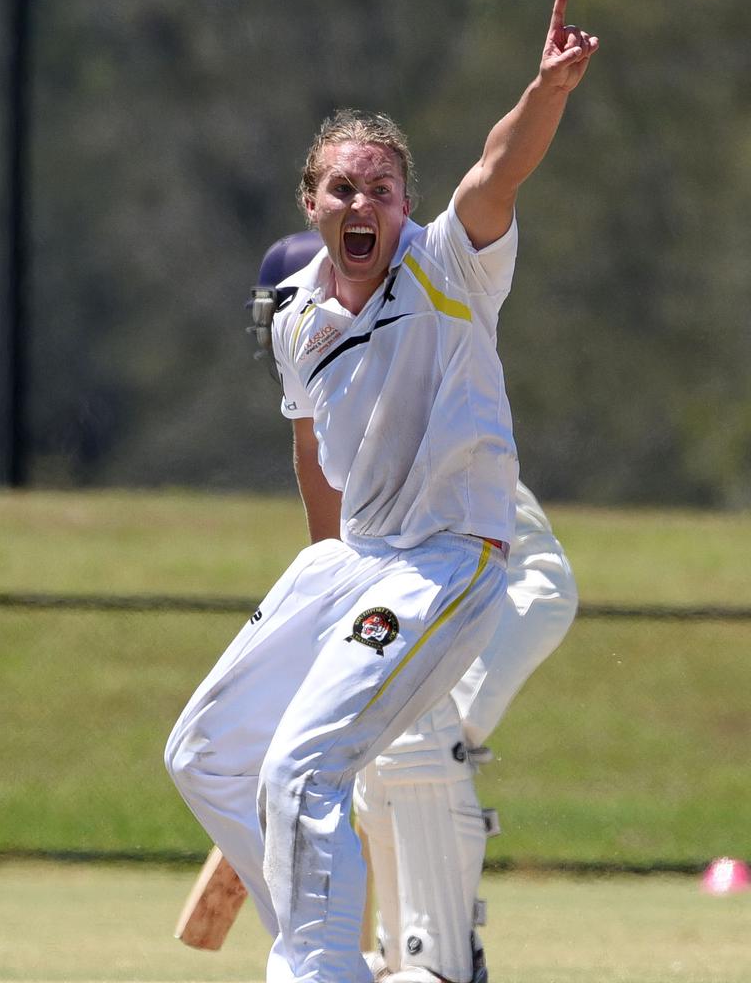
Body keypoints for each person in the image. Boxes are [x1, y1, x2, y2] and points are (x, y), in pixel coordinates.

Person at [165, 0, 597, 983]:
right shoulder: (295, 317)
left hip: (448, 558)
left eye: (382, 190)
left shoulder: (450, 266)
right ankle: (334, 942)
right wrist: (317, 580)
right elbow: (314, 452)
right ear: (310, 204)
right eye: (342, 190)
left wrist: (547, 92)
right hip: (354, 560)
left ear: (407, 205)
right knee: (206, 755)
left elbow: (499, 168)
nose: (363, 206)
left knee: (304, 765)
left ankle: (325, 969)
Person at [248, 231, 578, 983]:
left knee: (409, 737)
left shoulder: (385, 357)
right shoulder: (331, 379)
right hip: (436, 586)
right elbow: (341, 558)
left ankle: (444, 963)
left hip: (512, 582)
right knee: (366, 746)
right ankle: (403, 954)